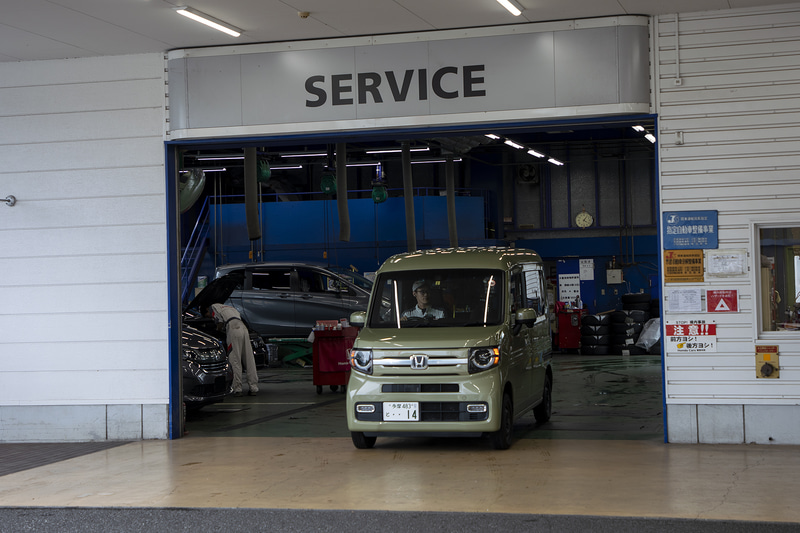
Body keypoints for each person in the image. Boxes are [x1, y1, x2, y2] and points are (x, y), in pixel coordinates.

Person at [206, 303, 259, 397]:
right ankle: (254, 387)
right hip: (243, 328)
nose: (209, 316)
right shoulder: (228, 307)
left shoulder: (212, 307)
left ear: (207, 310)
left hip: (233, 328)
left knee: (235, 359)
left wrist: (217, 330)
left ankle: (237, 388)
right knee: (249, 358)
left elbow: (219, 322)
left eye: (207, 315)